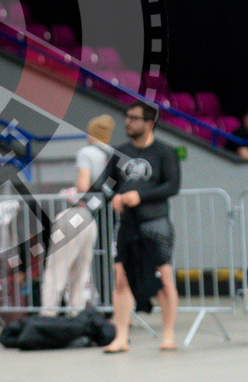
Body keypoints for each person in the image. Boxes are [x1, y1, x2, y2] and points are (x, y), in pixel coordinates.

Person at [102, 101, 181, 353]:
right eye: (126, 117)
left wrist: (140, 196)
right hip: (127, 225)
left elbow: (172, 186)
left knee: (164, 278)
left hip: (155, 223)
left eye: (134, 118)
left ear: (149, 123)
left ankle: (168, 334)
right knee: (121, 279)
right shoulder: (119, 152)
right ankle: (121, 336)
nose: (128, 122)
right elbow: (105, 185)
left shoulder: (165, 152)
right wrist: (112, 197)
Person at [39, 114, 114, 315]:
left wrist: (69, 193)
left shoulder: (86, 152)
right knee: (85, 269)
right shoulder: (114, 154)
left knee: (59, 267)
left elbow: (83, 185)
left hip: (80, 215)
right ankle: (80, 313)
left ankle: (48, 314)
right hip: (102, 218)